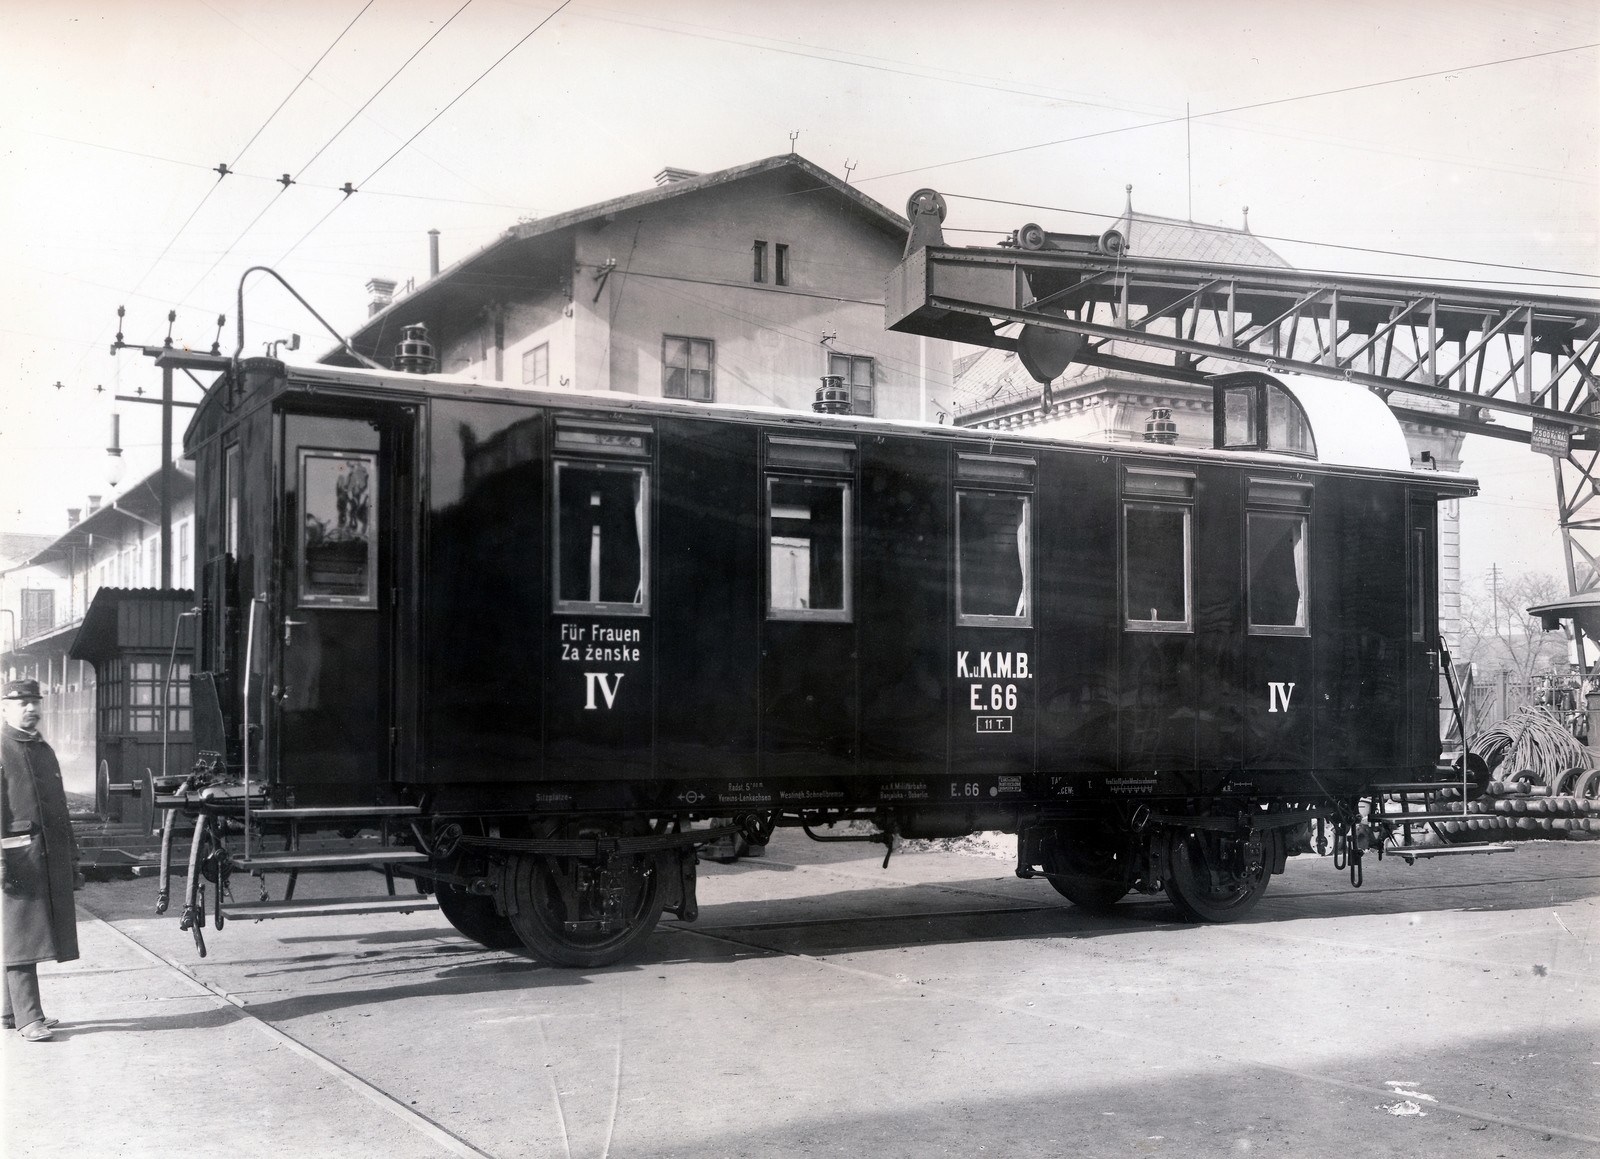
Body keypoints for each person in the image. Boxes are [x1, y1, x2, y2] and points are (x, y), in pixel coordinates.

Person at [2, 678, 79, 1042]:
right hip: (15, 856)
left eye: (35, 701)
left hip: (44, 853)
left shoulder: (40, 747)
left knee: (21, 930)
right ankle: (29, 1018)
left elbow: (59, 808)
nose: (32, 708)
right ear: (4, 708)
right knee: (21, 935)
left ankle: (7, 1012)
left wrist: (72, 857)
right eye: (22, 703)